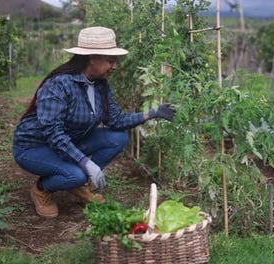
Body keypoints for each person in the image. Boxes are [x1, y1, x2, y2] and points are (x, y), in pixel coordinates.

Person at [12, 26, 175, 218]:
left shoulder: (100, 85)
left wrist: (152, 113)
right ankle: (42, 189)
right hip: (34, 147)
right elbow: (53, 133)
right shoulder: (59, 85)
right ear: (92, 58)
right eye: (111, 61)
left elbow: (115, 120)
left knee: (117, 138)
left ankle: (79, 185)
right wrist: (85, 164)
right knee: (77, 174)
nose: (114, 66)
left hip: (69, 141)